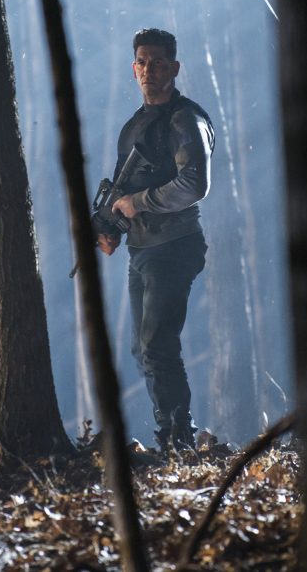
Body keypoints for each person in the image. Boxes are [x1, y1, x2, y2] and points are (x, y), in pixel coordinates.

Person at [95, 28, 214, 450]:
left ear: (175, 68)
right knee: (142, 349)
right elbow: (121, 193)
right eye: (143, 62)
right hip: (142, 248)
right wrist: (110, 228)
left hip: (175, 243)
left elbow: (194, 184)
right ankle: (172, 432)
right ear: (134, 69)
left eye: (159, 62)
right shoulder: (134, 126)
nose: (150, 70)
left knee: (157, 346)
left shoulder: (186, 119)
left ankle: (177, 439)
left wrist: (138, 203)